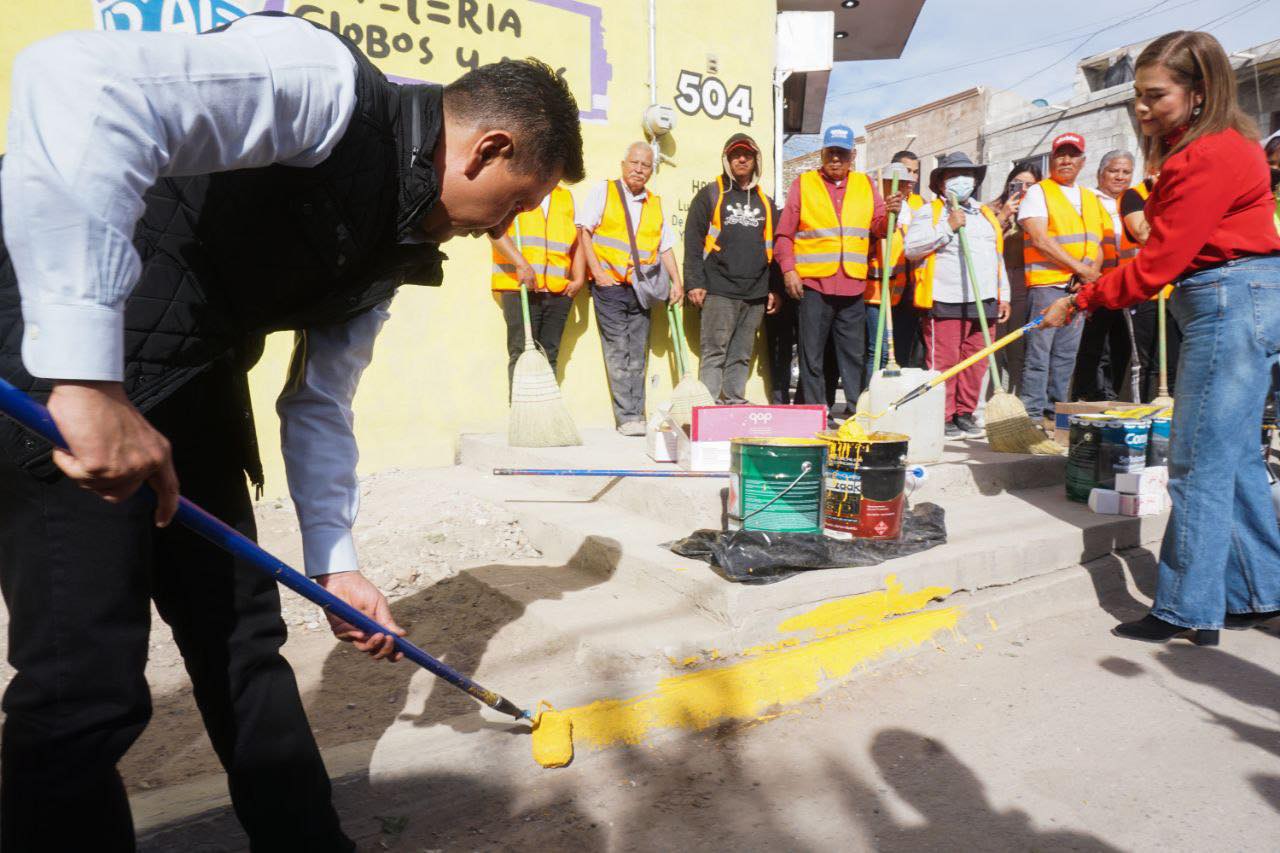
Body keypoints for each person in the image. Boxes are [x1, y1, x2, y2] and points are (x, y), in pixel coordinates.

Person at [0, 14, 584, 849]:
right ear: (488, 149)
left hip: (191, 379)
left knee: (243, 639)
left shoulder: (398, 247)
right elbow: (76, 82)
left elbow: (319, 400)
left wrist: (337, 563)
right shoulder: (324, 86)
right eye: (516, 204)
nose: (503, 229)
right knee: (83, 686)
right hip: (49, 363)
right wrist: (84, 376)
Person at [1039, 30, 1280, 644]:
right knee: (1238, 459)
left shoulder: (1209, 154)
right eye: (1138, 98)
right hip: (1236, 297)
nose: (1143, 109)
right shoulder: (1210, 147)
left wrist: (1083, 298)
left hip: (1227, 300)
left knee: (1195, 461)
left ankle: (1186, 608)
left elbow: (1161, 260)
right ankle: (1259, 592)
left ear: (1198, 92)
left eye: (1156, 96)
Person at [774, 125, 900, 425]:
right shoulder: (803, 184)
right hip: (813, 285)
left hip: (852, 286)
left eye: (841, 154)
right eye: (831, 153)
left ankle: (859, 413)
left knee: (853, 356)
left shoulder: (866, 185)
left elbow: (880, 228)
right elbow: (783, 235)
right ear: (822, 153)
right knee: (811, 355)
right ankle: (816, 414)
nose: (835, 160)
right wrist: (789, 270)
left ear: (852, 156)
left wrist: (892, 212)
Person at [578, 142, 683, 435]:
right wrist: (597, 273)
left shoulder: (655, 202)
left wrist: (678, 282)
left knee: (638, 351)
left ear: (652, 170)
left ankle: (638, 413)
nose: (639, 169)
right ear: (623, 165)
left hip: (643, 288)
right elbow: (584, 231)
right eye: (634, 163)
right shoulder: (604, 191)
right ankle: (627, 418)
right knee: (618, 350)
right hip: (610, 286)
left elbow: (666, 248)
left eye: (645, 165)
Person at [905, 152, 1011, 439]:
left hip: (984, 299)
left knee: (976, 362)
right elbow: (911, 248)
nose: (962, 180)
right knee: (945, 362)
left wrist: (1004, 295)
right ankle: (944, 415)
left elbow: (996, 256)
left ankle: (965, 412)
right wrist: (947, 227)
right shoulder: (931, 212)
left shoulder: (986, 214)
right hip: (945, 298)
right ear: (941, 183)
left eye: (967, 174)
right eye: (953, 175)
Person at [1017, 132, 1112, 422]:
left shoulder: (1090, 197)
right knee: (1039, 355)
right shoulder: (1039, 192)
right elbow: (1040, 239)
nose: (1066, 160)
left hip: (1078, 289)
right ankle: (1032, 415)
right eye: (1061, 154)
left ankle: (1054, 413)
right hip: (1048, 286)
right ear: (1052, 159)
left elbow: (1098, 241)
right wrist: (1082, 270)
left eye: (1073, 155)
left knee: (1065, 356)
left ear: (1083, 162)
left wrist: (1089, 276)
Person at [683, 134, 780, 404]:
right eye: (735, 154)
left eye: (747, 155)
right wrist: (694, 282)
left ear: (755, 160)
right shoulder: (711, 194)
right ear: (727, 159)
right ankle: (707, 405)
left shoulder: (766, 203)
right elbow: (693, 239)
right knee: (715, 351)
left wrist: (773, 289)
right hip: (718, 289)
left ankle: (734, 401)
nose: (741, 159)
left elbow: (774, 248)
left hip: (755, 293)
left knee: (741, 353)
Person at [490, 186, 586, 391]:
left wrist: (578, 278)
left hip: (558, 291)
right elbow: (494, 231)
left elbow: (576, 241)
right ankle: (522, 414)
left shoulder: (565, 197)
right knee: (522, 353)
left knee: (549, 354)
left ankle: (545, 414)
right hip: (519, 287)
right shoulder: (514, 191)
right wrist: (521, 264)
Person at [1072, 150, 1137, 401]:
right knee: (1094, 345)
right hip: (1098, 282)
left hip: (1128, 285)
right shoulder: (1088, 199)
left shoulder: (1133, 202)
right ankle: (1086, 396)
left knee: (1122, 345)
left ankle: (1110, 395)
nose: (1120, 177)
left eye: (1126, 172)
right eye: (1114, 171)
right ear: (1100, 173)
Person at [1120, 173, 1182, 400]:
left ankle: (1169, 419)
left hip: (1175, 291)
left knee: (1173, 363)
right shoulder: (1134, 196)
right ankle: (1143, 417)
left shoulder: (1182, 194)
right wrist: (1160, 196)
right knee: (1145, 364)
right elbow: (1143, 233)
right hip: (1143, 291)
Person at [865, 159, 925, 379]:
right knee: (877, 350)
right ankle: (868, 395)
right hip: (875, 292)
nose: (904, 187)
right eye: (898, 182)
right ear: (886, 183)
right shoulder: (874, 208)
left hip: (901, 294)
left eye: (908, 182)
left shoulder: (913, 211)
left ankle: (888, 397)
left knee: (897, 352)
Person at [988, 162, 1042, 397]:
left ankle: (1017, 398)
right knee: (995, 343)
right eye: (1018, 184)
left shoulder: (1039, 211)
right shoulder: (992, 208)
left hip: (1023, 280)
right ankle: (992, 397)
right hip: (997, 279)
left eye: (1030, 185)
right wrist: (1003, 216)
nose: (1024, 189)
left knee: (1019, 344)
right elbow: (984, 241)